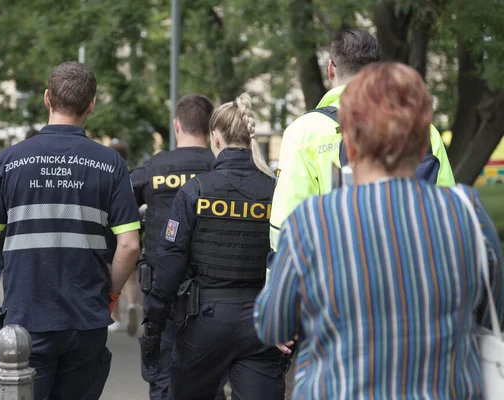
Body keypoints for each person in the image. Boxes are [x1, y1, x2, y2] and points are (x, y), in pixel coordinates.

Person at [255, 62, 504, 399]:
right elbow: (493, 313)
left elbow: (273, 325)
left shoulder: (312, 223)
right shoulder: (467, 211)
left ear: (351, 145)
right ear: (422, 145)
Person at [0, 61, 141, 400]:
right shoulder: (110, 163)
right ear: (91, 104)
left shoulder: (10, 160)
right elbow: (129, 247)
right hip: (86, 318)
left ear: (47, 99)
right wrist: (108, 296)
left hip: (26, 318)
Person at [141, 94, 286, 400]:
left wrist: (153, 326)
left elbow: (170, 264)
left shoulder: (195, 191)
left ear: (215, 139)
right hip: (262, 324)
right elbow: (293, 257)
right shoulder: (276, 190)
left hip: (203, 323)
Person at [269, 28, 455, 252]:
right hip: (420, 270)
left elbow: (286, 226)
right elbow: (448, 209)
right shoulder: (423, 130)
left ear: (330, 69)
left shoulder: (302, 132)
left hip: (338, 274)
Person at [132, 94, 216, 400]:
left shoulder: (154, 168)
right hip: (212, 292)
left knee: (163, 378)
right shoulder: (218, 167)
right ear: (209, 128)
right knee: (210, 380)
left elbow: (119, 211)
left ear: (176, 125)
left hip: (161, 292)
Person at [108, 141, 141, 336]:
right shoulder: (133, 176)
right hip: (132, 227)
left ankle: (116, 318)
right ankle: (133, 304)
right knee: (131, 274)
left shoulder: (107, 174)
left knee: (113, 272)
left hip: (111, 229)